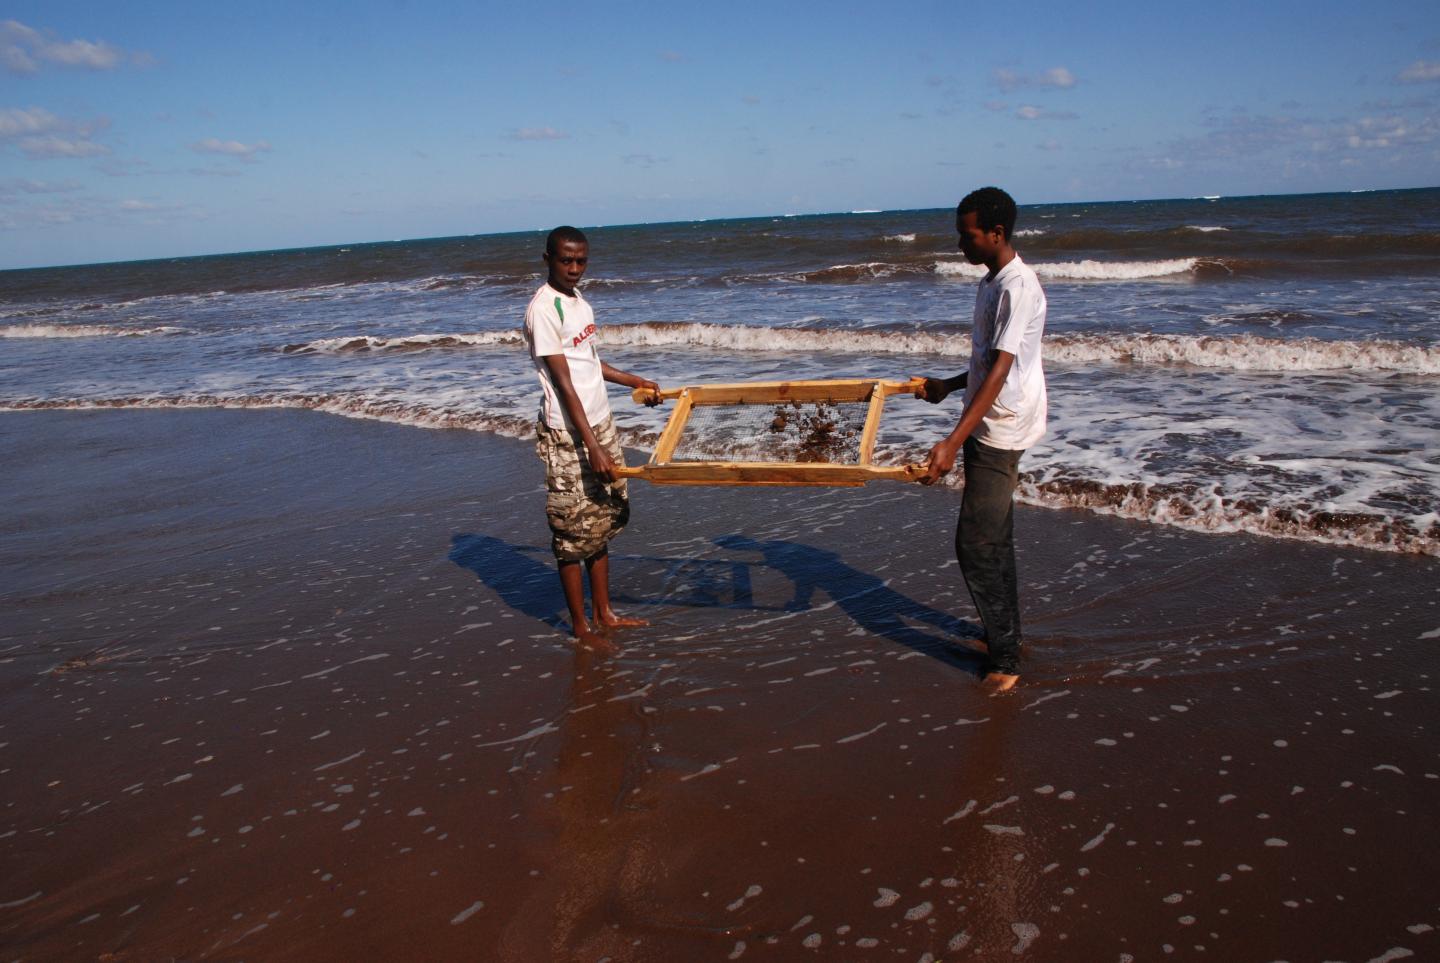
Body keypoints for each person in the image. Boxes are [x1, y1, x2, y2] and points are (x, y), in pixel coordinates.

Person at [917, 187, 1047, 693]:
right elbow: (983, 364)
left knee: (975, 543)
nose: (960, 245)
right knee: (995, 538)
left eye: (966, 236)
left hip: (1002, 425)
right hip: (985, 417)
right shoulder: (991, 282)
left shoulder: (1019, 288)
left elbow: (1001, 371)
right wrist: (948, 386)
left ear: (995, 233)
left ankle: (1006, 661)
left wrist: (952, 442)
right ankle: (1004, 636)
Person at [523, 225, 661, 652]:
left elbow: (588, 362)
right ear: (548, 259)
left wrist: (633, 380)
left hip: (599, 422)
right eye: (566, 260)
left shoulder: (579, 301)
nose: (574, 268)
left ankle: (605, 613)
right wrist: (593, 448)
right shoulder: (544, 310)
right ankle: (581, 627)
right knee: (571, 531)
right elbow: (564, 384)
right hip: (569, 433)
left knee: (602, 518)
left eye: (581, 260)